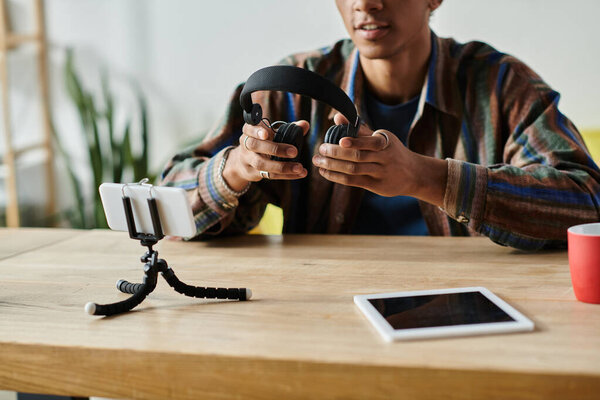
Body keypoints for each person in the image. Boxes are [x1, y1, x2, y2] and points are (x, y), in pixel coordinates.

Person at [160, 0, 600, 250]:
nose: (365, 3)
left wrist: (429, 178)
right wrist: (235, 170)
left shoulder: (501, 85)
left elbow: (585, 203)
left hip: (470, 314)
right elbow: (167, 202)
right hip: (322, 317)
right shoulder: (290, 89)